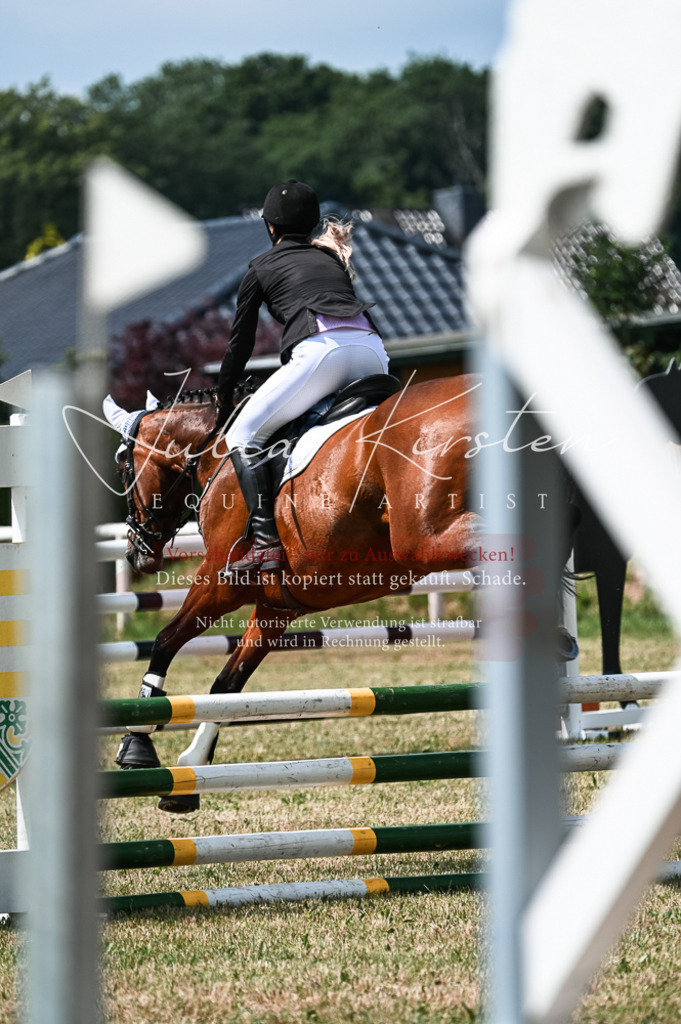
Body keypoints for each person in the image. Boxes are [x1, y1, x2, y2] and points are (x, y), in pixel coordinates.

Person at [216, 179, 389, 581]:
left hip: (322, 353)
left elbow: (239, 347)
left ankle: (264, 546)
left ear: (270, 227)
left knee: (242, 436)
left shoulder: (260, 267)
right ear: (312, 224)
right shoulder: (330, 258)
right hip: (373, 351)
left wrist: (225, 400)